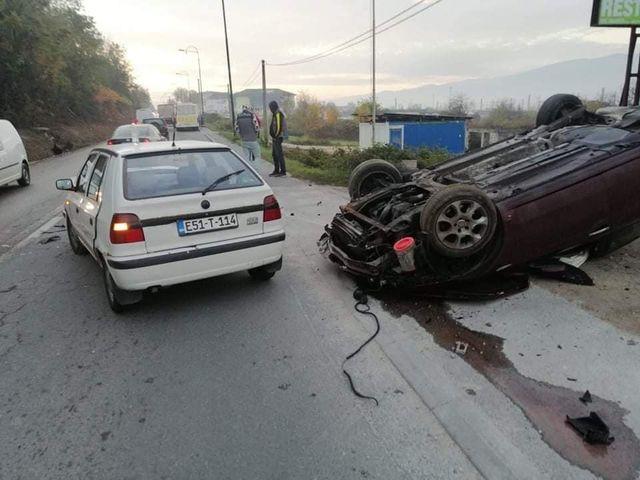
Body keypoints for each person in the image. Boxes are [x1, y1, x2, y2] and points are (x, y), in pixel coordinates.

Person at [269, 100, 287, 177]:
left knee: (279, 154)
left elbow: (279, 127)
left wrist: (275, 136)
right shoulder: (275, 114)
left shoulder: (278, 114)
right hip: (275, 137)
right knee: (274, 154)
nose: (270, 109)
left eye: (270, 108)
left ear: (273, 107)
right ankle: (276, 170)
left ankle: (282, 171)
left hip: (278, 137)